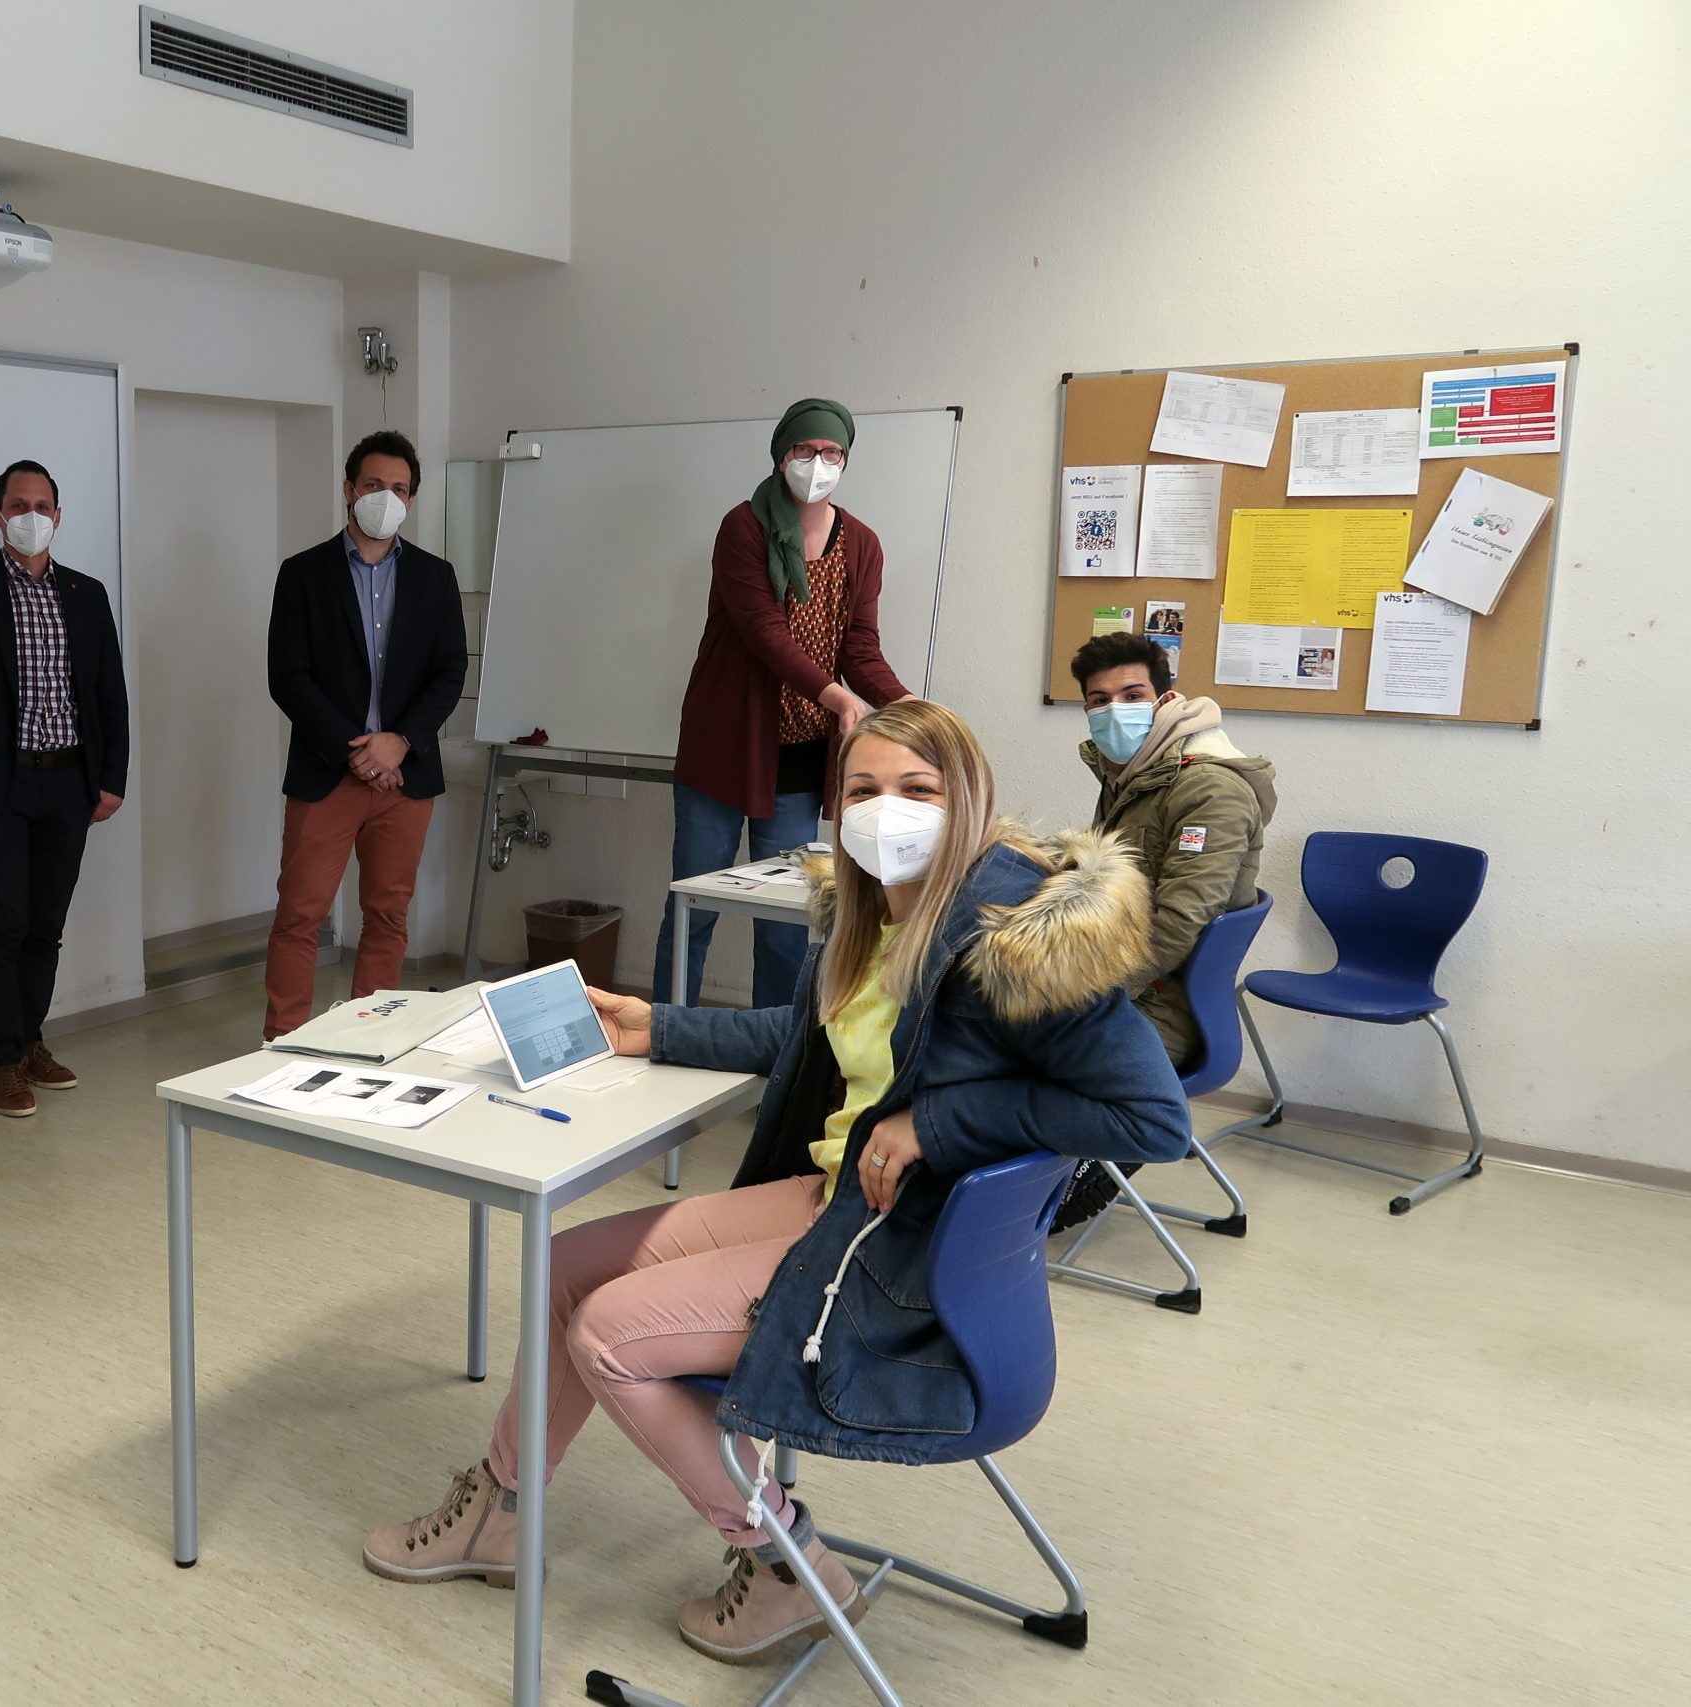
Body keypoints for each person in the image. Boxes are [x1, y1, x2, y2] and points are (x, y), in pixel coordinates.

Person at [362, 700, 1189, 1665]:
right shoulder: (878, 909)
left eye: (917, 789)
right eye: (862, 789)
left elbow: (1154, 1117)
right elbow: (812, 1039)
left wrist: (937, 1123)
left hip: (897, 1252)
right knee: (560, 1268)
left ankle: (785, 1562)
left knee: (606, 1333)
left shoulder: (1014, 936)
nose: (885, 811)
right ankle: (498, 1513)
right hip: (841, 1201)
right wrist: (656, 1026)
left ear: (967, 798)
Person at [655, 398, 912, 1011]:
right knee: (694, 906)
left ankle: (774, 1047)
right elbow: (764, 633)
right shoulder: (744, 527)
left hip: (800, 759)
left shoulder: (862, 544)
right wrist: (836, 694)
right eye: (805, 450)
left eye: (831, 453)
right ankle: (665, 1031)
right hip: (725, 749)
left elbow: (860, 648)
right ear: (780, 456)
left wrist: (908, 707)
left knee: (787, 921)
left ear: (845, 461)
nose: (818, 463)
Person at [0, 460, 130, 1120]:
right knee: (0, 927)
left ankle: (31, 1040)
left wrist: (112, 779)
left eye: (42, 506)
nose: (30, 516)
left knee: (46, 926)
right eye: (17, 505)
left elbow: (110, 694)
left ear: (58, 516)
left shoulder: (87, 594)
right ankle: (3, 1061)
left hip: (69, 784)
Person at [1052, 632, 1277, 1231]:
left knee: (1007, 1040)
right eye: (1098, 700)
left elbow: (1178, 925)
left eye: (1132, 695)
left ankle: (1065, 1181)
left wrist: (1082, 989)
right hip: (1135, 980)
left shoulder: (1210, 789)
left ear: (1165, 699)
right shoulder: (1133, 774)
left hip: (1165, 1003)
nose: (1114, 710)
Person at [261, 430, 467, 1040]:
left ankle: (365, 1040)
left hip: (406, 777)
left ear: (412, 500)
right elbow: (287, 676)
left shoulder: (435, 577)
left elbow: (450, 672)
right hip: (328, 772)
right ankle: (283, 1042)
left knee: (388, 916)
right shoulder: (303, 574)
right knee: (299, 916)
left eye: (399, 489)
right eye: (374, 485)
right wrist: (357, 749)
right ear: (349, 490)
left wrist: (399, 741)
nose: (386, 497)